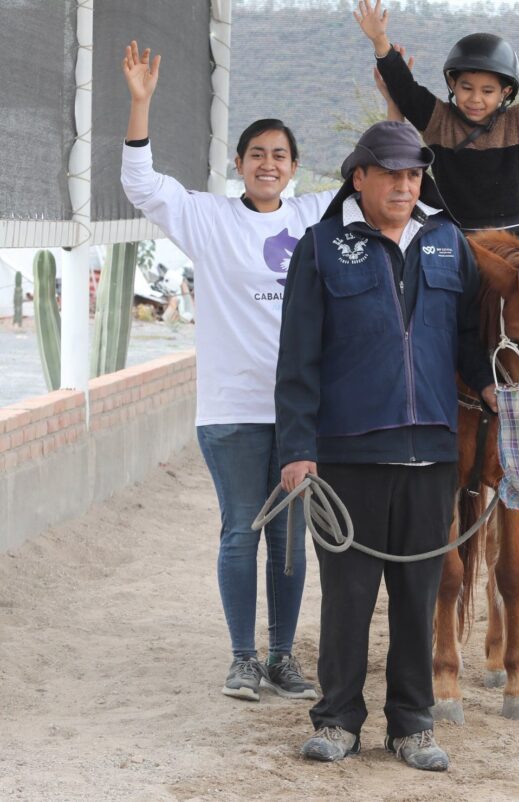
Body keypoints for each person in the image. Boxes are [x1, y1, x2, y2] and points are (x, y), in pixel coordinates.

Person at [275, 121, 496, 771]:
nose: (405, 185)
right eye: (392, 173)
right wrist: (296, 448)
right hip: (348, 454)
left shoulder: (448, 243)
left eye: (414, 174)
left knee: (419, 594)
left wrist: (490, 389)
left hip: (432, 453)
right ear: (360, 177)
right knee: (348, 594)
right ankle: (337, 719)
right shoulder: (321, 247)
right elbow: (297, 358)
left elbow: (467, 340)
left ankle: (412, 724)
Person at [120, 41, 334, 702]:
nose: (268, 164)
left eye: (280, 155)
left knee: (290, 538)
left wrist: (392, 94)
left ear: (294, 167)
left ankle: (282, 658)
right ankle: (243, 659)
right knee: (242, 529)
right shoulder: (209, 218)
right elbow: (141, 185)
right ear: (238, 164)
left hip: (298, 415)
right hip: (232, 409)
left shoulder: (313, 216)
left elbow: (381, 179)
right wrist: (140, 102)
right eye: (257, 154)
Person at [354, 0, 519, 241]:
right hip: (453, 235)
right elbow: (405, 90)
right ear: (452, 84)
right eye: (467, 88)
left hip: (511, 235)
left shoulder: (518, 123)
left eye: (487, 91)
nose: (475, 99)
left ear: (505, 93)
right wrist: (380, 41)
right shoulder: (439, 121)